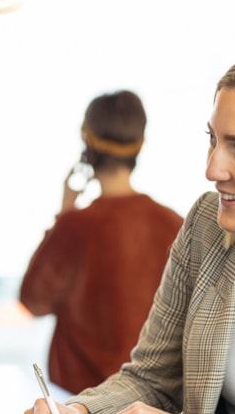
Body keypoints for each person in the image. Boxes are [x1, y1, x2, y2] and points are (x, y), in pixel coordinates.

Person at [23, 45, 235, 414]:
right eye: (213, 140)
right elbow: (154, 379)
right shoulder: (206, 227)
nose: (212, 168)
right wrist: (80, 412)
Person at [19, 90, 183, 394]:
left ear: (86, 139)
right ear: (140, 144)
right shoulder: (174, 224)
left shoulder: (74, 225)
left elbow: (33, 300)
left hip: (78, 403)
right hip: (149, 407)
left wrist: (63, 212)